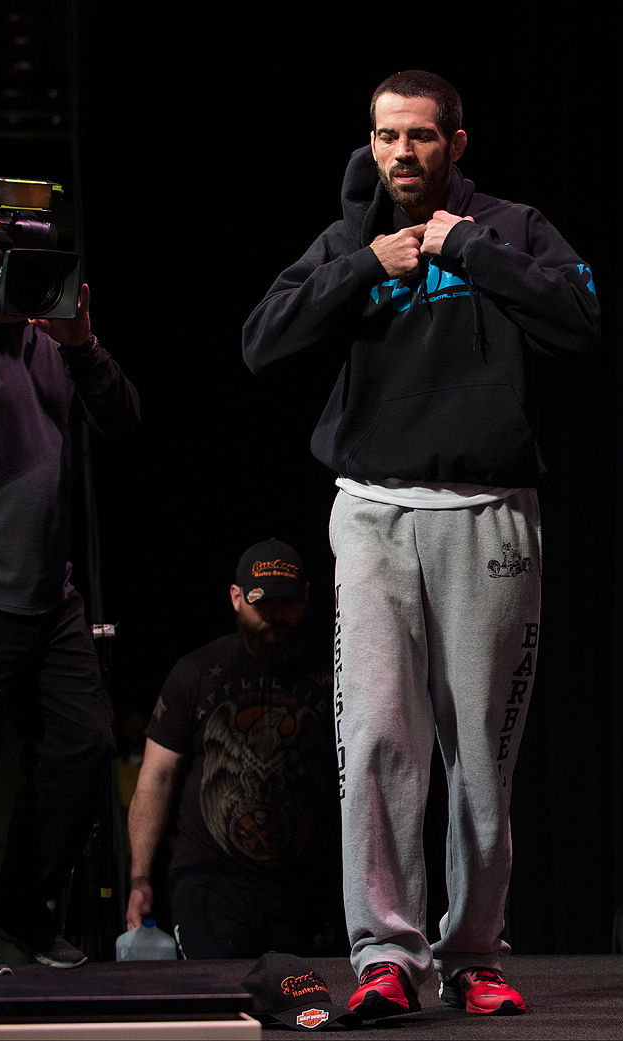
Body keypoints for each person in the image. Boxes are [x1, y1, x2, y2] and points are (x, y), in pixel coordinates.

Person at [242, 70, 600, 1018]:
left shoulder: (512, 228)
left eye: (420, 137)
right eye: (385, 137)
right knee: (377, 738)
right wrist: (367, 264)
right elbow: (261, 342)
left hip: (489, 510)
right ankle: (385, 953)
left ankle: (473, 952)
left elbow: (580, 320)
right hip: (371, 511)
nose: (401, 154)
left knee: (480, 749)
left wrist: (470, 251)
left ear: (456, 143)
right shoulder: (351, 239)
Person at [0, 253, 140, 976]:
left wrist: (82, 343)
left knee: (83, 747)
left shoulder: (48, 346)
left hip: (50, 592)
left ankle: (21, 909)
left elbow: (123, 418)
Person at [125, 538, 343, 959]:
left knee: (313, 1015)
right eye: (264, 604)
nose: (277, 615)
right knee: (227, 1001)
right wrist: (140, 878)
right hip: (211, 878)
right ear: (237, 598)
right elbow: (156, 777)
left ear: (308, 597)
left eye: (288, 602)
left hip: (308, 885)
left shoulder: (336, 670)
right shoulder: (197, 672)